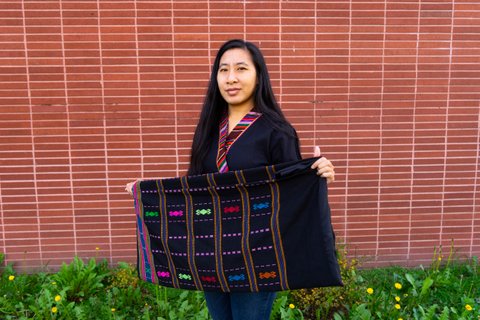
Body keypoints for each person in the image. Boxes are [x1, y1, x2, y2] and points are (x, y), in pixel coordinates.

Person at [127, 39, 335, 320]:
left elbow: (291, 192)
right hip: (212, 254)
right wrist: (147, 192)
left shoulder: (277, 131)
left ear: (258, 75)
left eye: (241, 68)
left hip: (256, 257)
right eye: (223, 70)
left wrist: (317, 173)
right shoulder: (209, 131)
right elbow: (195, 189)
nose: (231, 78)